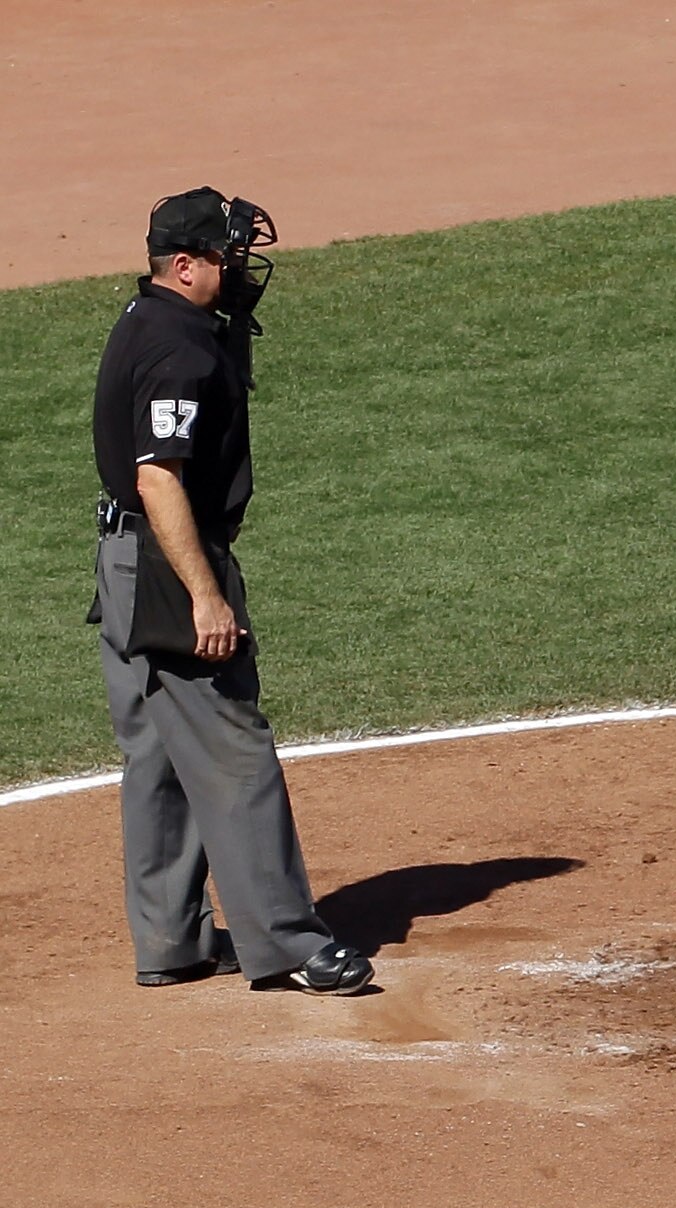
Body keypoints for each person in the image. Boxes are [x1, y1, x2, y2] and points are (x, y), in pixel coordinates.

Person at [88, 187, 373, 995]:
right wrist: (205, 596)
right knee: (233, 748)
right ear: (185, 266)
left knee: (160, 755)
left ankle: (172, 939)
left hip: (122, 559)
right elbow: (159, 478)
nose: (239, 266)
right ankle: (287, 942)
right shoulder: (180, 350)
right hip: (165, 564)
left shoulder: (150, 320)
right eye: (225, 254)